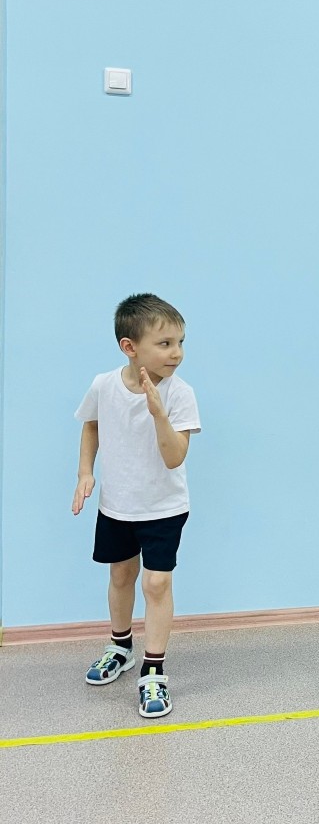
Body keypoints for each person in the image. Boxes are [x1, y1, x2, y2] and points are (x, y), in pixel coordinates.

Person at [73, 294, 201, 718]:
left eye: (180, 342)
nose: (177, 353)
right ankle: (121, 647)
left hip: (164, 507)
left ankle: (153, 669)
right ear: (130, 347)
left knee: (156, 584)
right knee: (121, 574)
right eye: (165, 343)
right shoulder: (103, 385)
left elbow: (174, 457)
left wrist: (159, 414)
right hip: (117, 505)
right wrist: (85, 472)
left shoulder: (180, 394)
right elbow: (91, 425)